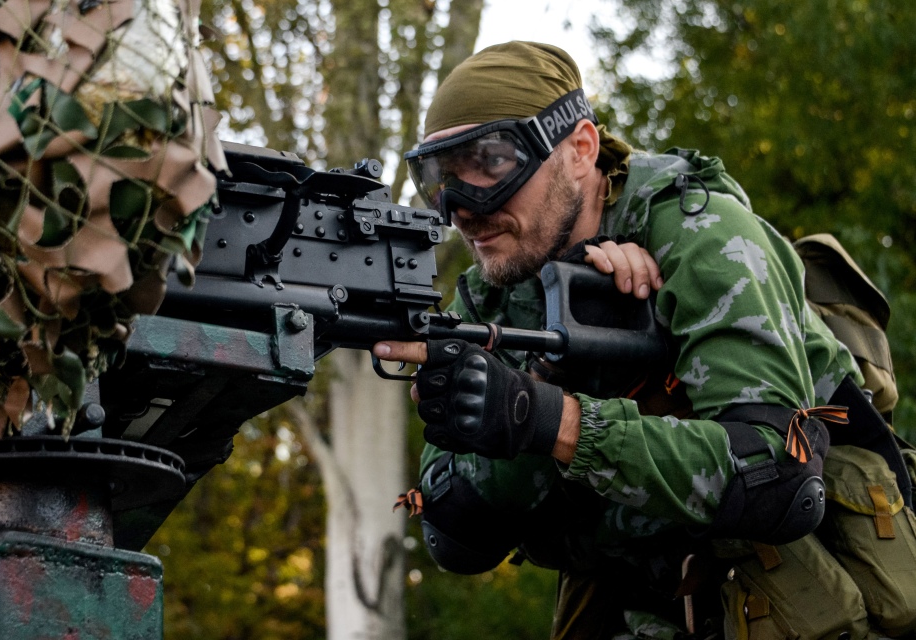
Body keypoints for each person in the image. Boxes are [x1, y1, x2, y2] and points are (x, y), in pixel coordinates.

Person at [373, 41, 876, 639]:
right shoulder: (494, 292)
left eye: (490, 163)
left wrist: (550, 419)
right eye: (439, 178)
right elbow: (455, 539)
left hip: (797, 605)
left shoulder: (699, 236)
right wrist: (530, 395)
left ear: (580, 149)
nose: (464, 208)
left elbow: (783, 479)